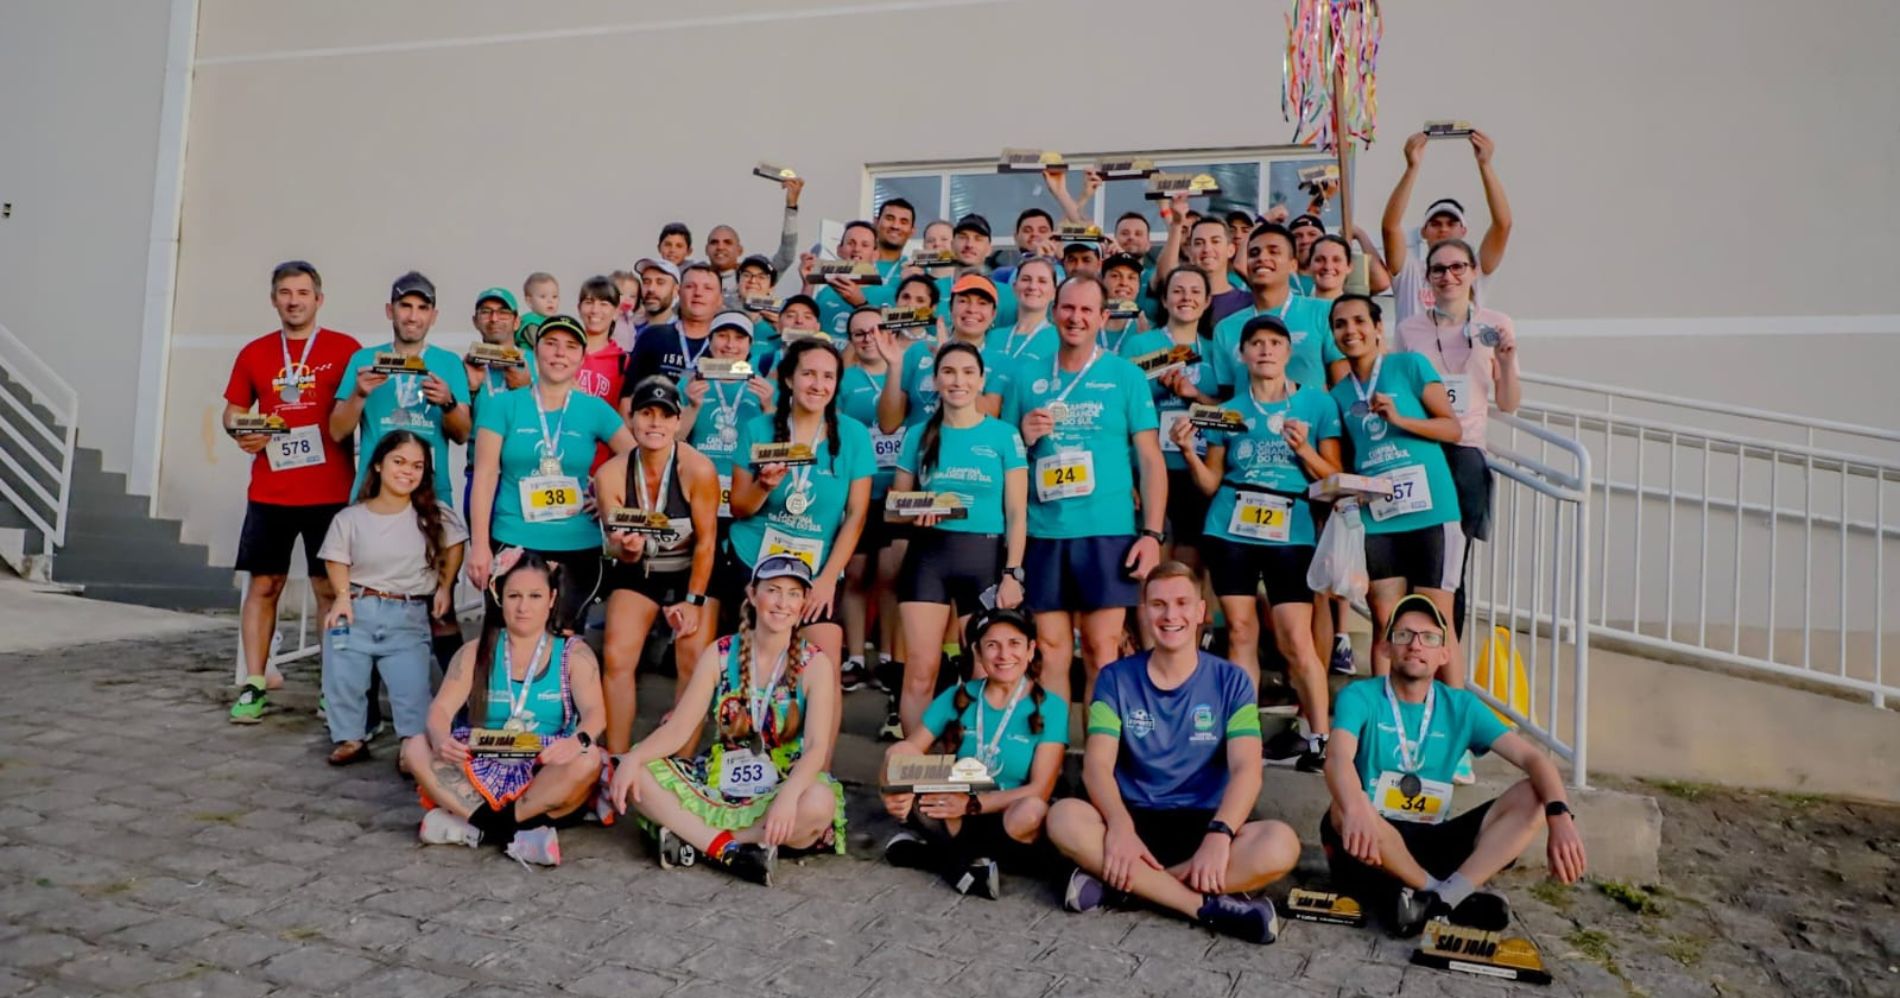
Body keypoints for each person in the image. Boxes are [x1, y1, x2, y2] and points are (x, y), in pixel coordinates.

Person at [1045, 563, 1298, 943]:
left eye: (1182, 603)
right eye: (1158, 604)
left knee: (1282, 845)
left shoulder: (1232, 680)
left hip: (1204, 822)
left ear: (1200, 612)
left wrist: (1220, 834)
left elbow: (1247, 768)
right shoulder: (1115, 678)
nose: (1170, 615)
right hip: (1134, 820)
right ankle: (1200, 904)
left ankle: (1129, 885)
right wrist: (1118, 825)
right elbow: (1096, 765)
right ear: (1144, 611)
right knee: (1064, 817)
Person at [1322, 595, 1586, 935]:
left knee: (1536, 796)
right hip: (1370, 840)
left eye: (1429, 638)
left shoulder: (1461, 706)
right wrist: (1356, 803)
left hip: (1431, 837)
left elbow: (1533, 758)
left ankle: (1432, 902)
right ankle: (1445, 897)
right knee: (1343, 807)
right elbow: (1338, 757)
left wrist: (1560, 816)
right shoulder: (1360, 696)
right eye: (1404, 635)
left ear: (1444, 655)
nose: (1416, 645)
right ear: (1386, 648)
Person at [607, 554, 848, 885]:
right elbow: (680, 729)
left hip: (782, 781)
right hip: (721, 781)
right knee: (641, 773)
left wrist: (789, 797)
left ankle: (695, 838)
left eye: (794, 594)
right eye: (773, 590)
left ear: (804, 601)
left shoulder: (815, 663)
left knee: (819, 802)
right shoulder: (720, 653)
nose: (783, 603)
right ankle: (733, 849)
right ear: (752, 594)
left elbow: (818, 748)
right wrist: (633, 757)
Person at [1172, 315, 1342, 771]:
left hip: (1293, 527)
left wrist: (1303, 449)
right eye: (1256, 344)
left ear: (1289, 352)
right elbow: (1211, 482)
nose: (1265, 350)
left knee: (1294, 637)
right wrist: (1189, 452)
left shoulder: (1318, 405)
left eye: (1274, 343)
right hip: (1231, 526)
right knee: (1241, 632)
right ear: (1242, 354)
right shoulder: (1228, 409)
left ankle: (1319, 737)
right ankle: (1243, 737)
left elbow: (1333, 477)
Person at [1003, 276, 1165, 705]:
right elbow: (1008, 456)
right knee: (1052, 651)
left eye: (1086, 310)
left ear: (1103, 318)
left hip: (1106, 529)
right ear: (1055, 311)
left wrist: (1151, 535)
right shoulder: (1026, 375)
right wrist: (1023, 434)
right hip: (1045, 530)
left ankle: (1099, 761)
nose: (1076, 318)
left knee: (1100, 648)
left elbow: (1150, 459)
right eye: (1068, 308)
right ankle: (1051, 760)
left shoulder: (1125, 375)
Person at [404, 549, 608, 867]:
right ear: (499, 596)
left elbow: (596, 714)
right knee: (415, 746)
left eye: (535, 595)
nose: (524, 606)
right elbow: (440, 711)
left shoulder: (574, 654)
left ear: (552, 598)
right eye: (514, 595)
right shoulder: (475, 651)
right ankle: (514, 833)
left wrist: (576, 741)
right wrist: (442, 737)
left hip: (544, 766)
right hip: (483, 759)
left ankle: (475, 827)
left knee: (589, 759)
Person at [222, 261, 363, 723]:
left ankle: (330, 688)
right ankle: (255, 683)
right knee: (265, 586)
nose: (294, 300)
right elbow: (233, 412)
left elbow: (362, 409)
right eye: (285, 292)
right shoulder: (255, 352)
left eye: (303, 293)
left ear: (319, 299)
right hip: (271, 491)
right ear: (274, 299)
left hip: (329, 492)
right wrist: (242, 430)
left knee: (328, 589)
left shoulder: (345, 350)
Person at [890, 341, 1030, 734]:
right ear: (935, 380)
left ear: (981, 379)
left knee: (983, 667)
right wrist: (917, 507)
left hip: (984, 558)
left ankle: (975, 757)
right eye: (949, 372)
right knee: (921, 669)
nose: (958, 381)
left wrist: (1013, 572)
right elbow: (894, 504)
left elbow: (1018, 513)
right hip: (928, 557)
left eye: (968, 372)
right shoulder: (918, 434)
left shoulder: (1004, 435)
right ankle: (914, 766)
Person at [1326, 295, 1466, 685]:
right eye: (1340, 324)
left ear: (1377, 328)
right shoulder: (1339, 395)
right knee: (1386, 623)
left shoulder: (1409, 366)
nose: (1350, 330)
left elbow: (1452, 429)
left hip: (1431, 511)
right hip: (1380, 518)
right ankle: (1387, 719)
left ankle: (1453, 726)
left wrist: (1402, 419)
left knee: (1436, 619)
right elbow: (1348, 459)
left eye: (1358, 321)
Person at [467, 315, 636, 635]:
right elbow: (486, 474)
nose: (560, 354)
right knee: (506, 638)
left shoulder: (594, 409)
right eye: (551, 344)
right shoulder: (503, 405)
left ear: (582, 358)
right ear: (535, 352)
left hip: (577, 546)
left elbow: (636, 460)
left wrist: (607, 498)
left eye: (571, 347)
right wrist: (479, 545)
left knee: (564, 642)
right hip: (515, 537)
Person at [881, 607, 1067, 897]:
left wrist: (973, 804)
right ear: (978, 652)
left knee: (1033, 810)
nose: (1004, 655)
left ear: (1031, 650)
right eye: (992, 645)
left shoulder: (1052, 707)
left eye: (1014, 644)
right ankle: (977, 863)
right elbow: (906, 752)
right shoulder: (960, 695)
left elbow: (1040, 789)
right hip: (956, 804)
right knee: (900, 753)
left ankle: (939, 859)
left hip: (1006, 812)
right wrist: (893, 791)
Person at [725, 338, 874, 681]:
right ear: (789, 379)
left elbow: (856, 516)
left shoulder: (853, 435)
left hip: (813, 572)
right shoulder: (758, 429)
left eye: (828, 376)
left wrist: (826, 580)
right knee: (747, 669)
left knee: (822, 671)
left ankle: (814, 737)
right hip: (753, 561)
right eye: (808, 374)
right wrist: (764, 485)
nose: (818, 385)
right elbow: (739, 507)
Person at [1394, 239, 1521, 639]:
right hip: (1419, 449)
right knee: (1413, 560)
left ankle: (1445, 659)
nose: (1448, 276)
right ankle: (1409, 653)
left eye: (1457, 267)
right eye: (1438, 269)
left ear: (1472, 272)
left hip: (1465, 452)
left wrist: (1504, 361)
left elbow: (1509, 402)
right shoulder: (1409, 329)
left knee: (1450, 568)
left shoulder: (1496, 323)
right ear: (1428, 278)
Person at [318, 431, 467, 765]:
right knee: (343, 677)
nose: (407, 472)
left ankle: (411, 746)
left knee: (411, 686)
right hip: (357, 609)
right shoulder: (352, 517)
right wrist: (342, 597)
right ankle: (349, 737)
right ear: (378, 465)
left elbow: (456, 543)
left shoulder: (434, 515)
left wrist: (445, 585)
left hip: (408, 613)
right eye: (398, 462)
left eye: (417, 466)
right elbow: (336, 558)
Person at [595, 379, 721, 754]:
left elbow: (708, 541)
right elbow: (618, 552)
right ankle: (615, 760)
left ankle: (680, 765)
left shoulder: (698, 469)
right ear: (631, 419)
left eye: (666, 416)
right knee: (616, 655)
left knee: (693, 657)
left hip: (692, 569)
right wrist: (627, 548)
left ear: (679, 423)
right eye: (647, 413)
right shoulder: (611, 475)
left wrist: (694, 601)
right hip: (642, 568)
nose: (655, 423)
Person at [331, 271, 471, 504]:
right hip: (374, 491)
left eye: (422, 308)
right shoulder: (363, 359)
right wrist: (358, 394)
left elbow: (462, 434)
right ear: (390, 310)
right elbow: (337, 431)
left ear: (433, 316)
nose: (413, 316)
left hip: (431, 492)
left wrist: (448, 403)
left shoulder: (449, 362)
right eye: (405, 306)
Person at [1116, 265, 1220, 571]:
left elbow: (1229, 414)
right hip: (1149, 465)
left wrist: (1195, 396)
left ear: (1207, 300)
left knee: (1191, 562)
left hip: (1198, 467)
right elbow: (1120, 409)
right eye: (1177, 291)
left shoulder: (1215, 349)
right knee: (1152, 559)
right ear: (1164, 300)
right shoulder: (1140, 345)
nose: (1186, 298)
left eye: (1194, 292)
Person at [1381, 129, 1513, 325]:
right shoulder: (1411, 271)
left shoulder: (1473, 270)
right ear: (1423, 233)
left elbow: (1503, 225)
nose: (1443, 229)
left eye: (1451, 223)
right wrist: (1412, 167)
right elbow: (1390, 227)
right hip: (1415, 355)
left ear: (1463, 231)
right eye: (1435, 224)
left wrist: (1485, 165)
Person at [837, 307, 904, 692]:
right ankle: (857, 656)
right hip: (862, 488)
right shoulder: (844, 380)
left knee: (892, 576)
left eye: (875, 330)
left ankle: (891, 657)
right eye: (858, 333)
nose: (867, 338)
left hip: (899, 490)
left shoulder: (906, 371)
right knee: (858, 574)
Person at [1212, 223, 1346, 395]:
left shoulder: (1323, 312)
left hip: (1312, 420)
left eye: (1273, 251)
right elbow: (1227, 403)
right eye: (1254, 253)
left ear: (1293, 265)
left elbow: (1344, 387)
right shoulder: (1225, 328)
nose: (1261, 258)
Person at [875, 273, 1012, 431]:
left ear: (993, 314)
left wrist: (947, 359)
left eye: (982, 303)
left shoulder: (1002, 362)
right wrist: (894, 366)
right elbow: (888, 424)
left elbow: (989, 414)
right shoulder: (919, 350)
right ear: (950, 308)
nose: (972, 309)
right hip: (921, 450)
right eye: (963, 301)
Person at [464, 287, 534, 514]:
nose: (494, 318)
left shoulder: (539, 362)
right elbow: (458, 432)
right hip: (480, 471)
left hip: (527, 472)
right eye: (486, 312)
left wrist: (527, 388)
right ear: (475, 321)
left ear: (516, 322)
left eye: (503, 312)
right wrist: (471, 390)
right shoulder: (465, 365)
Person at [1154, 198, 1250, 324]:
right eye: (1199, 243)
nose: (1207, 249)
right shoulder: (1183, 301)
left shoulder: (1248, 302)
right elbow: (1166, 275)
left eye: (1215, 241)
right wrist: (1176, 225)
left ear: (1230, 250)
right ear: (1190, 252)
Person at [708, 172, 801, 296]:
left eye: (728, 242)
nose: (720, 247)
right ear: (706, 249)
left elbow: (786, 256)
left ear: (739, 250)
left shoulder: (756, 273)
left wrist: (791, 208)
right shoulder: (693, 275)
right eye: (714, 242)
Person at [629, 263, 720, 385]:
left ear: (720, 299)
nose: (698, 293)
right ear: (679, 292)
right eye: (690, 286)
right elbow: (628, 395)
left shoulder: (729, 347)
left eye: (707, 288)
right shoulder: (652, 336)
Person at [802, 220, 883, 338]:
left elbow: (886, 338)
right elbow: (803, 328)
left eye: (865, 245)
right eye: (851, 243)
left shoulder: (888, 293)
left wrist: (861, 304)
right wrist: (807, 284)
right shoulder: (825, 292)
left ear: (876, 254)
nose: (856, 249)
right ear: (839, 250)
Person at [872, 197, 916, 269]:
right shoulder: (857, 265)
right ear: (876, 223)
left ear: (912, 231)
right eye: (889, 219)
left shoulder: (917, 271)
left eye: (903, 222)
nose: (895, 226)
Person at [519, 272, 560, 343]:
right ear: (529, 301)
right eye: (543, 297)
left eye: (554, 297)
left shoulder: (552, 321)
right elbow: (540, 345)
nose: (550, 301)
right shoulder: (531, 323)